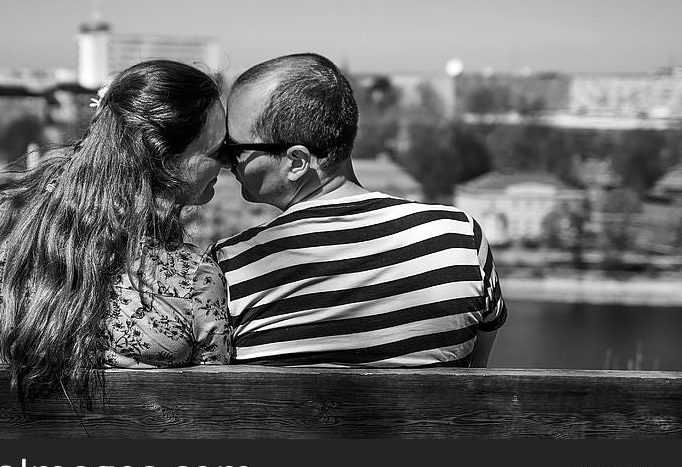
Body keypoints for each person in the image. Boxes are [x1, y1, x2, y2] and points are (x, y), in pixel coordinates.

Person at [0, 60, 232, 401]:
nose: (227, 163)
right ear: (163, 157)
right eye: (218, 150)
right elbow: (211, 405)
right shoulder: (195, 278)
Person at [211, 53, 506, 367]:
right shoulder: (459, 238)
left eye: (234, 149)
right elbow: (477, 374)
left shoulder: (229, 269)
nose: (225, 161)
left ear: (297, 162)